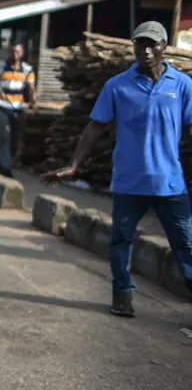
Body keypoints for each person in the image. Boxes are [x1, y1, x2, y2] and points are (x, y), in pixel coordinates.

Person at [42, 21, 192, 318]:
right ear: (133, 47)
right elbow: (95, 127)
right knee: (121, 241)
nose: (146, 51)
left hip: (170, 184)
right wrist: (74, 165)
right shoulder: (118, 86)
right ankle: (122, 295)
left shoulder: (182, 85)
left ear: (164, 47)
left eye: (152, 44)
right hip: (128, 182)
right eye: (140, 44)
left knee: (186, 244)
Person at [0, 43, 38, 177]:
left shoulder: (27, 70)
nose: (14, 54)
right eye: (12, 51)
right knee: (5, 136)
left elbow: (31, 89)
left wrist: (34, 103)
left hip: (17, 109)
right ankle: (6, 167)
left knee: (14, 138)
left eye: (17, 52)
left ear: (22, 54)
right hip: (1, 107)